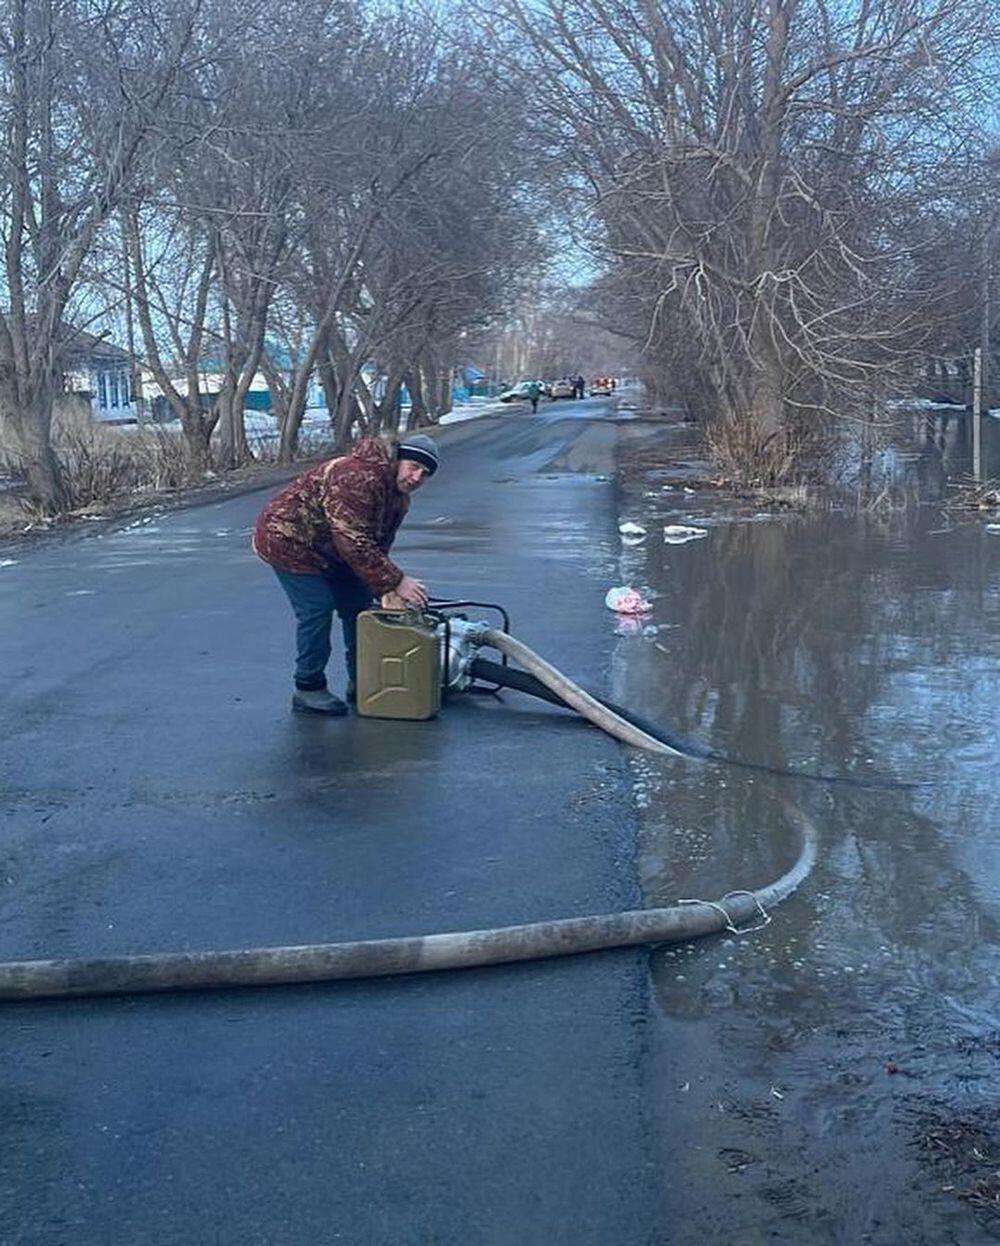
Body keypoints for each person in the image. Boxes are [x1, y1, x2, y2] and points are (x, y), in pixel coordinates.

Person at [252, 433, 440, 715]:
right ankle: (308, 687)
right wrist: (396, 580)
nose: (416, 477)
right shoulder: (357, 475)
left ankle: (364, 683)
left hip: (332, 547)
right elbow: (352, 539)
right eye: (413, 466)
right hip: (289, 539)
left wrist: (384, 589)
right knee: (317, 608)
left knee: (359, 606)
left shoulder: (398, 498)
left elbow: (376, 544)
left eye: (424, 474)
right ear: (397, 459)